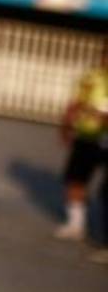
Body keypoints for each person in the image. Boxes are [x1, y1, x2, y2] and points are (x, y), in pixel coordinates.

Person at [53, 42, 108, 260]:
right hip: (88, 136)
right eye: (106, 54)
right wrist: (66, 124)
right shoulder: (91, 77)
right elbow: (75, 102)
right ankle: (76, 224)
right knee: (76, 178)